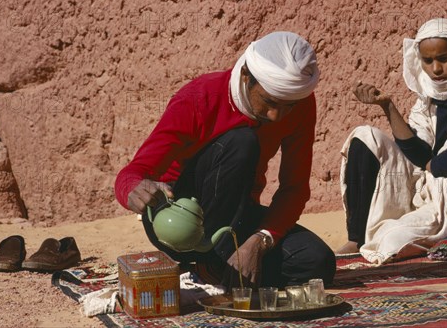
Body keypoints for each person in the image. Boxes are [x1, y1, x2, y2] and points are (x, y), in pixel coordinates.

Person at [115, 31, 336, 288]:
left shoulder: (301, 104)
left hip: (238, 215)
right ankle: (210, 262)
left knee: (317, 262)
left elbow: (295, 187)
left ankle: (216, 270)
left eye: (288, 106)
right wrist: (133, 189)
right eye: (268, 102)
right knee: (242, 142)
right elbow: (133, 173)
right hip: (183, 220)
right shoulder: (199, 98)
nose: (277, 115)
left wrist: (259, 241)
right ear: (246, 76)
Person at [337, 18, 447, 264]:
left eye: (444, 58)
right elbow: (417, 152)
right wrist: (388, 106)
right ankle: (356, 238)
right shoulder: (427, 99)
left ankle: (434, 240)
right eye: (428, 61)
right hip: (428, 193)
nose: (436, 69)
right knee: (365, 136)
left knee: (388, 240)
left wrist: (430, 165)